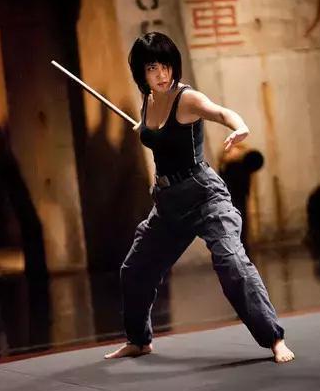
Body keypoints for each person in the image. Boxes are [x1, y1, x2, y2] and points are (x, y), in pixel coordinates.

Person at [104, 32, 294, 363]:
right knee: (135, 269)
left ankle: (274, 338)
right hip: (168, 203)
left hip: (204, 196)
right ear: (141, 73)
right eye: (152, 68)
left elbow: (220, 113)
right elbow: (158, 140)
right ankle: (139, 340)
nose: (162, 74)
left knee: (232, 263)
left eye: (166, 66)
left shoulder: (187, 99)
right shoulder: (148, 100)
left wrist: (240, 126)